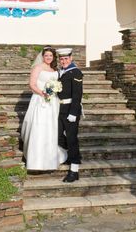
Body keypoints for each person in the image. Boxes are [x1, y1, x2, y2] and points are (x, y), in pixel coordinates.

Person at [21, 46, 67, 170]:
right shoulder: (37, 68)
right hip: (40, 100)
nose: (48, 58)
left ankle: (50, 160)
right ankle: (36, 161)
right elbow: (32, 84)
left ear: (53, 57)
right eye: (46, 55)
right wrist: (43, 93)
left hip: (53, 102)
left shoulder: (54, 69)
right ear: (42, 56)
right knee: (39, 127)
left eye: (50, 56)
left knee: (50, 128)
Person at [56, 47, 83, 183]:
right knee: (57, 135)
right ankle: (73, 153)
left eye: (66, 58)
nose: (64, 61)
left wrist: (73, 112)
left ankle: (74, 170)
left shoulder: (76, 72)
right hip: (59, 108)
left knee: (72, 139)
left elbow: (77, 95)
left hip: (71, 109)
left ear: (71, 58)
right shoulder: (59, 72)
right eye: (61, 59)